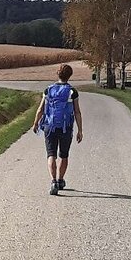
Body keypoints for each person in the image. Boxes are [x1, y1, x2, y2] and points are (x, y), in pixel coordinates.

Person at [32, 63, 84, 195]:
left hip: (49, 126)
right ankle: (61, 180)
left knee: (51, 155)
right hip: (66, 128)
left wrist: (36, 123)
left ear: (58, 74)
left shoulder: (48, 90)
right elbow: (77, 112)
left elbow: (41, 109)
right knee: (64, 155)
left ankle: (53, 181)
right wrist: (80, 130)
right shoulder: (72, 92)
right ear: (70, 75)